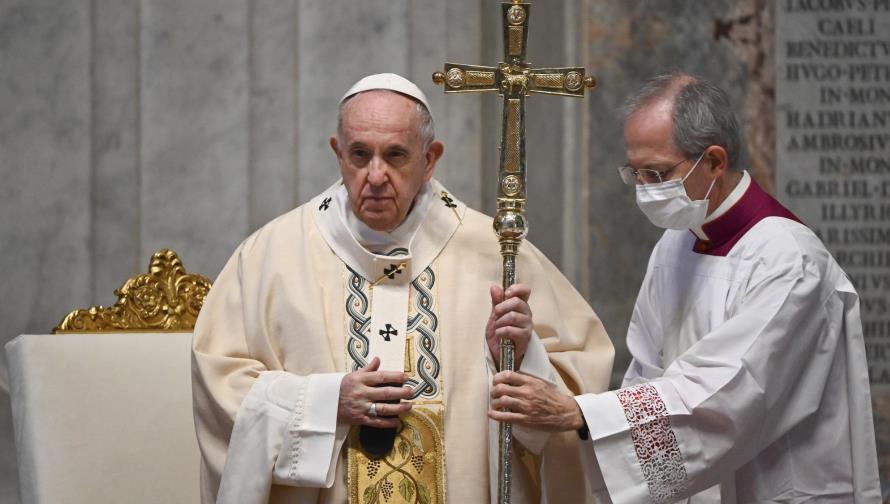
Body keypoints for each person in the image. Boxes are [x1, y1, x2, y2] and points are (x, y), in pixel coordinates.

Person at [191, 73, 615, 504]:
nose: (375, 175)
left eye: (395, 155)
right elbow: (220, 387)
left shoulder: (496, 255)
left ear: (430, 159)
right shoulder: (270, 256)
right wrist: (324, 403)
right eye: (359, 154)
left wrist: (518, 356)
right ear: (338, 153)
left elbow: (577, 394)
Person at [489, 72, 882, 503]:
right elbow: (647, 373)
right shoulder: (678, 241)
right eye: (634, 173)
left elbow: (730, 397)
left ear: (714, 161)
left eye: (656, 174)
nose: (644, 191)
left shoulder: (789, 260)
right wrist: (535, 362)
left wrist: (582, 414)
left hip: (778, 486)